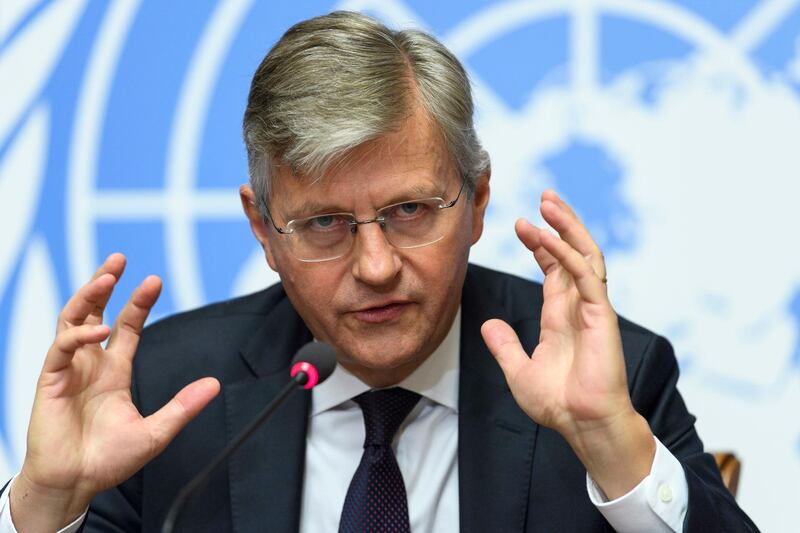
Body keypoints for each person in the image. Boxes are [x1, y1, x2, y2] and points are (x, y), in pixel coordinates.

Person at [0, 10, 757, 533]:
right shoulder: (167, 395)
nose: (375, 266)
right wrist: (43, 505)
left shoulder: (610, 376)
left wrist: (613, 442)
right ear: (263, 229)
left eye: (410, 211)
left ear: (478, 201)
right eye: (324, 223)